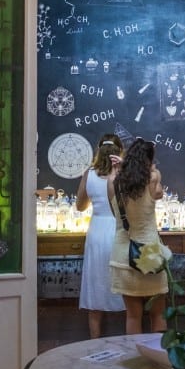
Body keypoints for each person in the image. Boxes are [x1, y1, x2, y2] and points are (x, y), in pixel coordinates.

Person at [108, 137, 168, 334]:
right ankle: (159, 359)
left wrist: (123, 167)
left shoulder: (113, 181)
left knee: (133, 316)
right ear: (149, 160)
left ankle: (135, 361)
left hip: (123, 254)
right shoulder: (154, 177)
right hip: (150, 252)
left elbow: (113, 211)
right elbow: (158, 194)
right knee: (157, 314)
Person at [76, 133, 126, 338]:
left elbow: (80, 206)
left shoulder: (89, 174)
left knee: (95, 288)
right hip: (118, 230)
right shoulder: (123, 174)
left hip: (96, 231)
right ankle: (127, 343)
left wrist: (95, 199)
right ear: (119, 152)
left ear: (99, 150)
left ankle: (94, 343)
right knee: (125, 289)